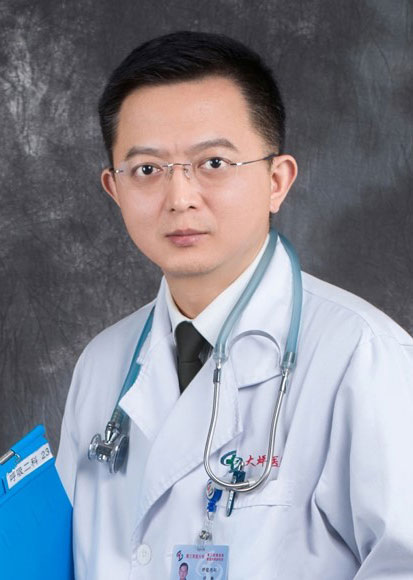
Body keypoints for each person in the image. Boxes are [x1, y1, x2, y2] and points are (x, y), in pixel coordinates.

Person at [56, 31, 413, 579]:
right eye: (147, 169)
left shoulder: (362, 356)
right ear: (114, 188)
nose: (180, 198)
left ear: (276, 181)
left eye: (214, 163)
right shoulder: (102, 363)